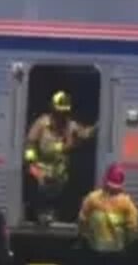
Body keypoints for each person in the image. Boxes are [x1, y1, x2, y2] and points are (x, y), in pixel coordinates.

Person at [24, 90, 97, 225]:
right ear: (52, 109)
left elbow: (85, 134)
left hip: (61, 172)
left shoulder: (71, 125)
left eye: (64, 112)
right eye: (58, 112)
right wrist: (32, 165)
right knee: (39, 197)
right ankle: (40, 214)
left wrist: (96, 127)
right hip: (40, 171)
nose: (61, 115)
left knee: (65, 196)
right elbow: (30, 145)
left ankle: (60, 215)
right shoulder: (41, 124)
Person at [78, 163, 138, 265]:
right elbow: (132, 226)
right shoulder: (126, 203)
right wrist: (128, 242)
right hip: (116, 249)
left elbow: (82, 220)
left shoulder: (92, 199)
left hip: (95, 247)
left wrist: (84, 236)